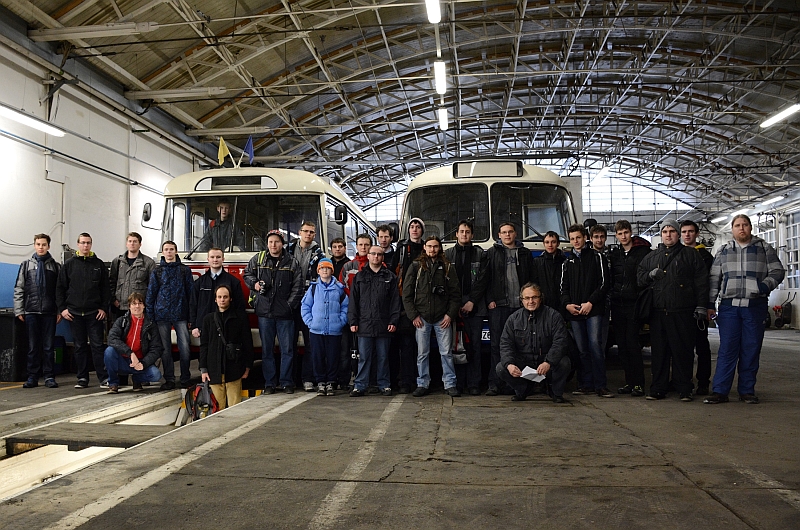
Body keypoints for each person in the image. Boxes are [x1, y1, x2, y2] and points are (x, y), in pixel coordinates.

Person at [705, 214, 785, 405]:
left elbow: (778, 271)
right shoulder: (723, 251)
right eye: (737, 225)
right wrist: (709, 304)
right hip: (729, 308)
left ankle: (747, 391)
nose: (742, 228)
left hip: (754, 307)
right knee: (727, 349)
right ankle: (720, 391)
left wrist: (763, 287)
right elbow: (714, 279)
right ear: (732, 229)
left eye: (745, 225)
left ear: (750, 228)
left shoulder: (764, 249)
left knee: (750, 349)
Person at [637, 219, 708, 401]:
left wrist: (702, 305)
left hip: (682, 312)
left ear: (678, 234)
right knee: (659, 353)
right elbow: (639, 278)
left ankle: (684, 387)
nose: (668, 234)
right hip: (658, 313)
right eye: (665, 231)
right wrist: (650, 275)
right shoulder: (651, 257)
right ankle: (658, 388)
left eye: (672, 231)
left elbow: (701, 282)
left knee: (682, 352)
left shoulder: (691, 255)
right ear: (661, 234)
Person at [243, 229, 302, 394]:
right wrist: (254, 284)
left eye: (276, 242)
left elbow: (298, 287)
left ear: (282, 244)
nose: (273, 245)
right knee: (267, 351)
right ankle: (269, 383)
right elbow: (247, 274)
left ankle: (286, 382)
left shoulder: (292, 262)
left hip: (285, 315)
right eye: (270, 242)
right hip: (264, 313)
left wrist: (289, 306)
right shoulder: (259, 259)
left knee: (288, 350)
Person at [402, 235, 461, 397]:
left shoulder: (448, 266)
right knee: (422, 353)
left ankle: (450, 384)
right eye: (429, 246)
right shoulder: (415, 267)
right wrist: (413, 315)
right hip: (422, 318)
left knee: (446, 353)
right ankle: (423, 383)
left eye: (435, 246)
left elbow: (456, 294)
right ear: (424, 248)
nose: (432, 249)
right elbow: (406, 294)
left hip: (443, 317)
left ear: (439, 248)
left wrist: (450, 315)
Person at [480, 222, 534, 396]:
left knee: (523, 346)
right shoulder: (491, 253)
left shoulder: (525, 254)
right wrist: (489, 300)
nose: (507, 235)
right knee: (496, 346)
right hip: (499, 307)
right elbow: (485, 279)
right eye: (504, 232)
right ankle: (494, 384)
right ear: (499, 235)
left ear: (515, 233)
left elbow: (532, 279)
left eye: (510, 232)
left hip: (521, 308)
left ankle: (521, 383)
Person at [561, 224, 612, 398]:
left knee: (595, 346)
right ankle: (585, 384)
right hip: (574, 312)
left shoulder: (598, 257)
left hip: (594, 310)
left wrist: (591, 302)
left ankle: (601, 385)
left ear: (585, 238)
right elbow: (563, 288)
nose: (576, 241)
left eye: (578, 237)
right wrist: (567, 304)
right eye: (572, 238)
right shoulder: (567, 262)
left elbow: (605, 284)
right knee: (582, 350)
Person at [497, 283, 572, 403]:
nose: (530, 301)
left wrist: (548, 362)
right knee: (501, 367)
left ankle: (555, 391)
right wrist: (509, 364)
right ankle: (523, 390)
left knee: (564, 362)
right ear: (521, 300)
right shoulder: (513, 319)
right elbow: (506, 344)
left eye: (534, 297)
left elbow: (561, 342)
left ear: (540, 298)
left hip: (546, 363)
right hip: (524, 364)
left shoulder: (554, 316)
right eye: (527, 298)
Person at [56, 233, 110, 389]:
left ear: (91, 245)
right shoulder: (69, 265)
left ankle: (103, 378)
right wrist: (63, 309)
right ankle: (82, 378)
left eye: (88, 243)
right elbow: (60, 288)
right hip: (74, 314)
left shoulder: (98, 265)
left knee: (98, 346)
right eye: (83, 243)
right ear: (78, 244)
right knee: (79, 347)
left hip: (94, 314)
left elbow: (105, 289)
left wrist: (103, 308)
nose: (85, 246)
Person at [348, 246, 401, 397]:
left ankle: (384, 385)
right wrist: (353, 321)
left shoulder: (390, 277)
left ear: (382, 257)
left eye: (379, 254)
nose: (376, 257)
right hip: (364, 324)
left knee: (383, 357)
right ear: (368, 256)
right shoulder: (359, 277)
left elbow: (395, 303)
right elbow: (353, 302)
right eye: (373, 254)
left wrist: (394, 321)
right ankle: (360, 385)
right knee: (364, 357)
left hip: (384, 324)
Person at [444, 220, 487, 395]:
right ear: (456, 234)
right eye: (461, 231)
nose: (464, 235)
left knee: (475, 346)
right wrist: (454, 305)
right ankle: (458, 383)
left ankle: (474, 383)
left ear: (472, 235)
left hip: (475, 308)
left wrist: (472, 302)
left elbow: (483, 280)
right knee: (456, 347)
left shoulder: (480, 254)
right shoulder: (447, 255)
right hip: (453, 309)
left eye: (468, 232)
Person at [609, 220, 651, 396]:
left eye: (626, 232)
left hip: (634, 305)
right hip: (617, 305)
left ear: (631, 232)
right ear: (616, 235)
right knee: (623, 347)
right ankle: (629, 382)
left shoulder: (642, 253)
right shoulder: (614, 254)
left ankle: (638, 384)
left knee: (633, 345)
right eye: (620, 234)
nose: (623, 236)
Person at [14, 234, 61, 388]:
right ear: (34, 245)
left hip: (49, 312)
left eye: (44, 244)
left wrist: (60, 311)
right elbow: (19, 288)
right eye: (38, 244)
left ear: (48, 246)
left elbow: (59, 292)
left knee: (48, 346)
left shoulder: (56, 266)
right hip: (31, 312)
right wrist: (19, 310)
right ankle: (32, 377)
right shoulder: (26, 265)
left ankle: (49, 376)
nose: (41, 247)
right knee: (33, 346)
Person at [146, 240, 194, 390]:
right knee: (165, 350)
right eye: (166, 249)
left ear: (176, 252)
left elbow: (191, 295)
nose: (168, 252)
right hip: (162, 315)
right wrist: (151, 316)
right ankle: (170, 379)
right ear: (162, 252)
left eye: (171, 249)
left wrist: (191, 317)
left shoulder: (184, 271)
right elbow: (151, 295)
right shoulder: (157, 272)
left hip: (181, 314)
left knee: (185, 347)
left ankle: (185, 378)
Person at [200, 285, 254, 408]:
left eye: (225, 297)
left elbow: (247, 343)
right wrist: (203, 368)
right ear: (215, 299)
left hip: (234, 370)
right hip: (214, 371)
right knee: (217, 410)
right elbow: (204, 346)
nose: (222, 299)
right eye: (219, 297)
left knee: (234, 408)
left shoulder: (240, 318)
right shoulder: (208, 320)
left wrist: (247, 366)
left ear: (230, 299)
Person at [287, 221, 326, 391]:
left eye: (311, 232)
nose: (308, 234)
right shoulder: (287, 250)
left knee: (310, 343)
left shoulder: (320, 254)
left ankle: (308, 378)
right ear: (299, 232)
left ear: (315, 235)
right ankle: (291, 379)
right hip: (291, 301)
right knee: (290, 343)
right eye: (305, 231)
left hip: (310, 303)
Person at [302, 258, 348, 396]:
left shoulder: (339, 289)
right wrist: (310, 322)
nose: (325, 271)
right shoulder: (313, 288)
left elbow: (346, 307)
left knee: (333, 356)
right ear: (318, 271)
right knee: (318, 356)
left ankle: (331, 381)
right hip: (316, 330)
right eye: (322, 268)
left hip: (334, 330)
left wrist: (341, 322)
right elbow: (305, 306)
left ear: (332, 271)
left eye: (327, 268)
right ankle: (321, 382)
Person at [390, 218, 426, 394]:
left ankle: (423, 380)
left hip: (425, 304)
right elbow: (393, 273)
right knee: (406, 345)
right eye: (412, 227)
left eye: (418, 227)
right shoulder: (402, 249)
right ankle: (406, 381)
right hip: (406, 303)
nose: (415, 229)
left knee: (424, 348)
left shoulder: (428, 248)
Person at [104, 293, 163, 393]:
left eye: (140, 303)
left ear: (144, 305)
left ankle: (137, 379)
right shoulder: (121, 321)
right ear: (129, 306)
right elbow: (112, 338)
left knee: (156, 374)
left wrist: (143, 363)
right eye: (133, 304)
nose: (137, 306)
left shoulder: (151, 325)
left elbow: (156, 348)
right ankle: (113, 383)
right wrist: (130, 353)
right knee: (109, 351)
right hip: (122, 360)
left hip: (140, 361)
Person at [680, 220, 714, 395]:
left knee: (701, 346)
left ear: (697, 233)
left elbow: (708, 283)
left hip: (699, 307)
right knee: (682, 347)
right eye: (684, 231)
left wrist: (708, 306)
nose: (687, 234)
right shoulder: (677, 254)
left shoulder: (705, 257)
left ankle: (703, 381)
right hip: (681, 309)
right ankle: (682, 380)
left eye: (690, 231)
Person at [338, 234, 372, 390]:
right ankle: (347, 379)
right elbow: (342, 289)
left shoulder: (377, 265)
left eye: (366, 244)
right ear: (356, 246)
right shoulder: (348, 267)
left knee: (367, 351)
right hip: (350, 314)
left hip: (369, 316)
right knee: (348, 349)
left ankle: (368, 379)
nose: (363, 247)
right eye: (360, 244)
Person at [189, 247, 245, 340]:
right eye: (212, 257)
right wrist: (194, 326)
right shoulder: (199, 282)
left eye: (218, 257)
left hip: (227, 327)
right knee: (205, 353)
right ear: (208, 259)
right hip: (204, 327)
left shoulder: (233, 282)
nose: (215, 260)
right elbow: (193, 304)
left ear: (223, 259)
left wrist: (238, 326)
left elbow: (239, 306)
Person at [109, 232, 156, 317]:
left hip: (139, 308)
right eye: (130, 241)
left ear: (140, 244)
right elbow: (111, 282)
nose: (132, 244)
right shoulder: (118, 262)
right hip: (120, 307)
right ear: (126, 244)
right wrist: (113, 300)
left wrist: (146, 304)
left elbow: (152, 286)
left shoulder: (148, 263)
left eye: (135, 241)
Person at [531, 231, 566, 314]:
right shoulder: (537, 262)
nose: (550, 245)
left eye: (553, 242)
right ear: (544, 244)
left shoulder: (565, 261)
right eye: (547, 242)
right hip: (543, 305)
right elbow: (534, 284)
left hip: (562, 305)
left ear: (558, 244)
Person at [589, 224, 611, 354]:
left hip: (607, 301)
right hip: (592, 302)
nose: (599, 240)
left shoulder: (611, 256)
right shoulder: (588, 256)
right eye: (596, 237)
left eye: (602, 237)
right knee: (593, 340)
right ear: (591, 238)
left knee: (602, 338)